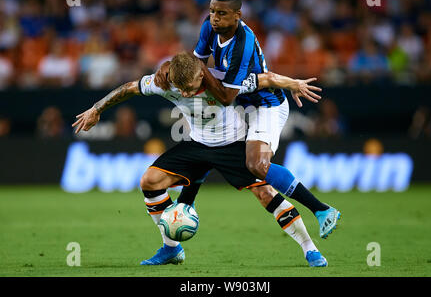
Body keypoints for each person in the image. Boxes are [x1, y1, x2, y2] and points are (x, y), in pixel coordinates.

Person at [72, 51, 328, 267]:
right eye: (180, 89)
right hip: (197, 144)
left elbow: (267, 79)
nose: (184, 94)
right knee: (149, 181)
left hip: (233, 144)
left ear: (201, 76)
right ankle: (171, 248)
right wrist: (96, 109)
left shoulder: (226, 82)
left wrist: (293, 83)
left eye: (190, 88)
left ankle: (309, 247)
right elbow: (128, 88)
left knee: (266, 194)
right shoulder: (164, 81)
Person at [155, 0, 340, 239]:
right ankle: (187, 203)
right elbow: (194, 61)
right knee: (207, 140)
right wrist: (172, 65)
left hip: (265, 105)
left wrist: (201, 70)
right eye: (211, 12)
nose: (215, 18)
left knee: (257, 164)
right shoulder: (209, 27)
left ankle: (322, 210)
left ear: (237, 15)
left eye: (221, 13)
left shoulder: (243, 43)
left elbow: (226, 94)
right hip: (240, 102)